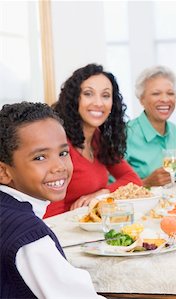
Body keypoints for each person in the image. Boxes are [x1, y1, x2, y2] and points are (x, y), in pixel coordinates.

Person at [0, 102, 103, 298]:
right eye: (40, 157)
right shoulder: (30, 238)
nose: (59, 167)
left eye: (63, 153)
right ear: (3, 171)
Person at [45, 64, 141, 217]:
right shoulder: (59, 144)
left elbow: (132, 179)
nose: (98, 103)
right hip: (65, 231)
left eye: (105, 95)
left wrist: (103, 193)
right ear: (74, 98)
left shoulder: (98, 138)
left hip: (92, 226)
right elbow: (51, 217)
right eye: (88, 94)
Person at [125, 65, 176, 187]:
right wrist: (145, 183)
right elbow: (109, 188)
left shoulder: (174, 131)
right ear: (141, 99)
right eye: (156, 93)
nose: (165, 99)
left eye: (170, 93)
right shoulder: (125, 134)